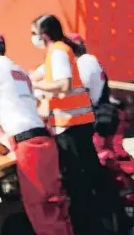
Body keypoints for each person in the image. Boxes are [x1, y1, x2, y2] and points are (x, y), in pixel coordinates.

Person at [0, 31, 73, 235]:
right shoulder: (17, 69)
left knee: (39, 207)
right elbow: (7, 103)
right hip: (44, 139)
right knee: (55, 202)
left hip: (28, 144)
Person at [30, 14, 131, 235]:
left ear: (44, 34)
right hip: (80, 124)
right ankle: (113, 223)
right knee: (94, 176)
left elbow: (64, 87)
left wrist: (37, 87)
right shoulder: (64, 55)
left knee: (80, 182)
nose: (32, 38)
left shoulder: (60, 53)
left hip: (73, 126)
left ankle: (94, 227)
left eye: (34, 33)